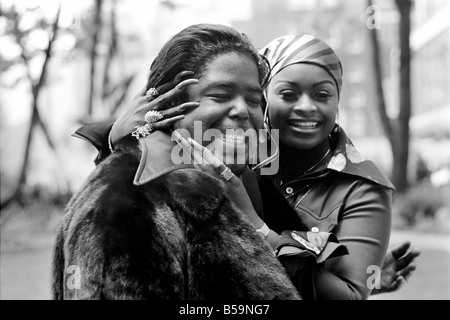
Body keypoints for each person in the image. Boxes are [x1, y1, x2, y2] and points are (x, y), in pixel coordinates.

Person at [73, 34, 420, 299]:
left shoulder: (356, 184)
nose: (306, 108)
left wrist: (253, 226)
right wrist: (118, 146)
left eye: (323, 94)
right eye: (287, 94)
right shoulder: (242, 159)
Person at [51, 24, 302, 300]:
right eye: (219, 95)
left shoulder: (245, 183)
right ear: (165, 106)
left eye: (254, 100)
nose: (243, 111)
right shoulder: (124, 205)